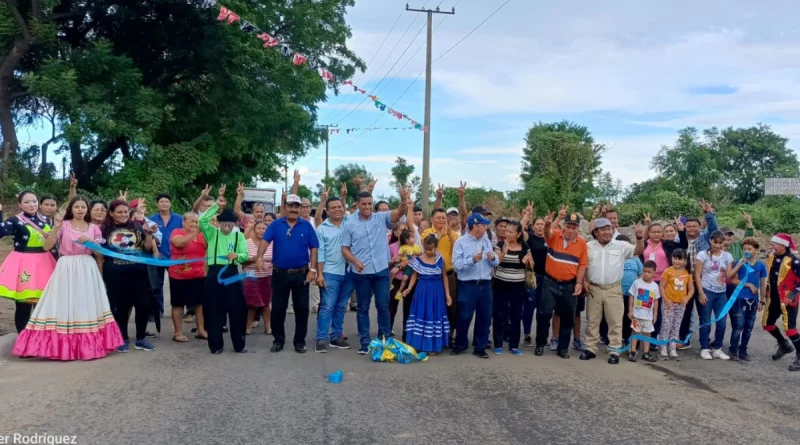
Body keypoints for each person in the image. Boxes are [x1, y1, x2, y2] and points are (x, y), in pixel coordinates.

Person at [13, 196, 124, 360]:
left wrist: (92, 243)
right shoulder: (63, 225)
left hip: (87, 268)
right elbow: (47, 246)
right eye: (77, 207)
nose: (80, 210)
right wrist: (56, 228)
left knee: (85, 305)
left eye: (83, 207)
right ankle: (58, 346)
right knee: (63, 303)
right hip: (66, 267)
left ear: (87, 210)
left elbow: (100, 255)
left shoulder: (94, 228)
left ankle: (87, 347)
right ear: (71, 209)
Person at [341, 189, 408, 354]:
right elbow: (344, 248)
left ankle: (384, 340)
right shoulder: (349, 223)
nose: (367, 207)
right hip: (361, 273)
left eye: (370, 203)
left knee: (383, 306)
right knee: (363, 307)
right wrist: (355, 261)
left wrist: (403, 200)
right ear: (357, 204)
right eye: (364, 204)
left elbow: (399, 212)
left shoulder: (381, 218)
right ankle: (365, 343)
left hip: (381, 271)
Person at [258, 194, 319, 354]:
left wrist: (313, 269)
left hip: (301, 274)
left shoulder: (306, 226)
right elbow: (265, 241)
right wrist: (259, 257)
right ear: (284, 207)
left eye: (296, 206)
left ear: (300, 208)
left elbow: (314, 247)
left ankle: (299, 341)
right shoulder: (275, 225)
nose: (293, 209)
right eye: (290, 206)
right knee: (278, 309)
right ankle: (278, 340)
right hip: (280, 274)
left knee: (302, 309)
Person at [580, 218, 644, 364]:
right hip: (594, 289)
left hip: (613, 289)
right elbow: (583, 264)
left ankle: (614, 349)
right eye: (602, 229)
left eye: (609, 229)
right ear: (595, 232)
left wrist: (639, 238)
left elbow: (638, 250)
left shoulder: (621, 245)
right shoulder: (588, 246)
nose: (607, 232)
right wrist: (584, 280)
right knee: (592, 320)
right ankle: (590, 348)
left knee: (615, 321)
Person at [99, 199, 157, 352]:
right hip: (115, 273)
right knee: (121, 307)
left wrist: (149, 234)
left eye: (125, 212)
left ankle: (141, 338)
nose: (123, 214)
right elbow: (99, 254)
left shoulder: (136, 226)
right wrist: (101, 276)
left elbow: (147, 247)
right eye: (119, 212)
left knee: (143, 304)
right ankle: (122, 338)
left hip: (138, 273)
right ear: (111, 213)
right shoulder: (104, 229)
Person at [0, 191, 58, 333]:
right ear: (20, 204)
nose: (31, 204)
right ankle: (23, 337)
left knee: (43, 303)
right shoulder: (15, 220)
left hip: (45, 262)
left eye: (34, 201)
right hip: (24, 263)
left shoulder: (46, 219)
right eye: (26, 202)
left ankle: (40, 336)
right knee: (24, 304)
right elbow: (2, 232)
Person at [535, 208, 587, 359]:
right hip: (550, 282)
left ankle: (563, 349)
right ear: (564, 226)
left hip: (569, 285)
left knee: (568, 317)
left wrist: (579, 283)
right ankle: (540, 344)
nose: (570, 230)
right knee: (544, 314)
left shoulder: (582, 242)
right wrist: (548, 223)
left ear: (578, 228)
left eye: (574, 227)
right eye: (568, 226)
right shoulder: (555, 235)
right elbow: (546, 233)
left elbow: (582, 265)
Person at [198, 202, 249, 354]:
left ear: (234, 225)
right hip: (214, 272)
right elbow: (202, 220)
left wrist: (237, 256)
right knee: (213, 310)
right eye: (224, 224)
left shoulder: (239, 235)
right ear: (219, 223)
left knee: (237, 309)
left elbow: (245, 254)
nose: (226, 228)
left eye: (230, 225)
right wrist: (215, 206)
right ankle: (215, 345)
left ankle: (239, 345)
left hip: (231, 272)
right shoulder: (212, 233)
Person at [451, 213, 498, 358]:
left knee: (485, 316)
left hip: (485, 284)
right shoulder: (461, 242)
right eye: (483, 225)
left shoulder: (486, 241)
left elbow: (495, 262)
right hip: (468, 284)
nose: (485, 228)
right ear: (475, 226)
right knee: (464, 316)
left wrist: (493, 258)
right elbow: (456, 265)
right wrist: (472, 259)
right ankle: (460, 344)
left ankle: (480, 347)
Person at [314, 193, 354, 352]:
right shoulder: (322, 229)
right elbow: (320, 253)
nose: (337, 210)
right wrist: (320, 274)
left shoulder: (350, 223)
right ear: (327, 211)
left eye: (339, 207)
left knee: (341, 306)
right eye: (333, 208)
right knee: (327, 306)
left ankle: (336, 337)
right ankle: (321, 338)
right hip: (330, 271)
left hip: (349, 271)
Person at [678, 199, 720, 349]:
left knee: (704, 312)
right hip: (685, 282)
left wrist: (708, 214)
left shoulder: (705, 238)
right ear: (685, 227)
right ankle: (683, 339)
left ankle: (705, 340)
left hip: (704, 282)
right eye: (688, 226)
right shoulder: (680, 239)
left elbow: (715, 229)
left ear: (699, 227)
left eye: (694, 226)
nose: (691, 229)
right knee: (684, 312)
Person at [402, 234, 452, 354]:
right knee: (422, 314)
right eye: (426, 249)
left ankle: (433, 346)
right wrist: (409, 288)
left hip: (437, 292)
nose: (428, 252)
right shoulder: (418, 260)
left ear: (436, 247)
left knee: (434, 316)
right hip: (422, 292)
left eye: (431, 249)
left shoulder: (440, 260)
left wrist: (447, 294)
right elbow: (414, 275)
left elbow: (444, 277)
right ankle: (418, 344)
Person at [492, 221, 533, 356]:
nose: (507, 233)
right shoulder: (500, 245)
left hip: (518, 285)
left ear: (518, 234)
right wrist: (503, 253)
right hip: (501, 283)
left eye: (510, 232)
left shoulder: (524, 246)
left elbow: (532, 264)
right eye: (506, 231)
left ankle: (514, 345)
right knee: (499, 313)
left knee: (516, 315)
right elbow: (496, 263)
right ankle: (497, 344)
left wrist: (528, 262)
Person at [641, 219, 688, 338]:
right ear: (649, 233)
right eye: (653, 232)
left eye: (659, 232)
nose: (656, 234)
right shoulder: (645, 244)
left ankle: (654, 336)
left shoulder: (667, 244)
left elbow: (683, 246)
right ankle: (644, 334)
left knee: (660, 310)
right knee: (646, 307)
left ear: (662, 233)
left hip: (663, 281)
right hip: (647, 281)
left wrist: (681, 231)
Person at [421, 208, 460, 345]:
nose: (442, 220)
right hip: (431, 277)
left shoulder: (454, 234)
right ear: (432, 219)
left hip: (449, 275)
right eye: (438, 218)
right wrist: (441, 235)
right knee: (433, 307)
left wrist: (449, 235)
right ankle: (430, 337)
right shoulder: (427, 232)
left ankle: (448, 336)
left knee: (451, 307)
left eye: (444, 218)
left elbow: (457, 250)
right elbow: (427, 244)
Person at [762, 233, 800, 371]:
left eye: (774, 244)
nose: (771, 246)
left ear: (783, 246)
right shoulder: (771, 257)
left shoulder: (793, 261)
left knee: (790, 329)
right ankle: (783, 344)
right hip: (773, 298)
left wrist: (792, 294)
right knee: (767, 324)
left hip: (788, 299)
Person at [167, 213, 208, 342]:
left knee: (199, 304)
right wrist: (193, 234)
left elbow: (208, 246)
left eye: (197, 222)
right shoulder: (176, 232)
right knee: (178, 304)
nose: (195, 224)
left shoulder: (202, 235)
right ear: (184, 222)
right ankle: (178, 333)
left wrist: (205, 232)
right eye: (192, 222)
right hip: (178, 276)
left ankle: (201, 330)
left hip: (198, 274)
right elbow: (180, 244)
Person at [695, 230, 734, 360]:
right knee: (706, 320)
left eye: (720, 243)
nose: (717, 245)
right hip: (707, 290)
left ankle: (717, 348)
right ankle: (704, 347)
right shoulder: (702, 255)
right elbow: (697, 275)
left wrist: (740, 264)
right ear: (710, 240)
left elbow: (728, 275)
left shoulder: (727, 256)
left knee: (722, 321)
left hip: (721, 293)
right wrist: (701, 292)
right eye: (715, 242)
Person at [728, 238, 766, 362]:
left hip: (753, 300)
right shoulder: (739, 263)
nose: (746, 251)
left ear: (756, 250)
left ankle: (743, 350)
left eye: (749, 249)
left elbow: (763, 284)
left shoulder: (761, 266)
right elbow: (733, 280)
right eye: (744, 249)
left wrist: (762, 300)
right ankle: (733, 350)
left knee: (749, 327)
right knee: (738, 326)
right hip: (740, 298)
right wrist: (748, 284)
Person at [149, 193, 183, 324]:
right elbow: (149, 236)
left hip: (175, 257)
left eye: (166, 201)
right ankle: (157, 311)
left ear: (170, 204)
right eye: (161, 201)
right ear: (157, 204)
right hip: (158, 257)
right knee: (157, 285)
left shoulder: (179, 219)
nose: (164, 203)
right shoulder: (151, 219)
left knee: (178, 284)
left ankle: (181, 310)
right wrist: (155, 250)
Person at [657, 249, 694, 360]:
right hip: (669, 303)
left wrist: (687, 298)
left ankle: (672, 347)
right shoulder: (667, 271)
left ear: (685, 260)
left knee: (676, 326)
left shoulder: (687, 274)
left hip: (680, 305)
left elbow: (691, 289)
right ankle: (662, 347)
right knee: (666, 324)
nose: (677, 261)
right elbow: (661, 287)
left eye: (680, 259)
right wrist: (666, 299)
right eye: (675, 258)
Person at [628, 260, 660, 362]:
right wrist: (630, 311)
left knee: (647, 334)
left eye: (649, 272)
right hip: (636, 315)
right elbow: (631, 296)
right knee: (635, 332)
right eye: (644, 271)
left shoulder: (655, 286)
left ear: (654, 273)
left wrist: (655, 314)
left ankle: (645, 353)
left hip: (648, 316)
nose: (646, 274)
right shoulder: (636, 283)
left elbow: (655, 301)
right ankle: (633, 352)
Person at [243, 220, 272, 335]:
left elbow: (275, 259)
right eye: (259, 228)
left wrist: (266, 265)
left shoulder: (271, 242)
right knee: (252, 304)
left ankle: (268, 327)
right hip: (251, 277)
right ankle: (248, 326)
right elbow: (241, 260)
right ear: (254, 230)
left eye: (263, 228)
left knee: (266, 303)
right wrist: (253, 259)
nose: (261, 230)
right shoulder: (246, 243)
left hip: (267, 276)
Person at [523, 211, 547, 347]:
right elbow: (519, 231)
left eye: (542, 224)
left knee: (542, 308)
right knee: (529, 306)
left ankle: (540, 335)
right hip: (531, 276)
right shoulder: (530, 238)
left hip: (547, 277)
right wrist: (526, 216)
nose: (539, 226)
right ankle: (527, 334)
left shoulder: (550, 238)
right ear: (534, 226)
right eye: (537, 224)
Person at [394, 229, 422, 301]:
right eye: (412, 237)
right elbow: (399, 254)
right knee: (403, 278)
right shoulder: (403, 247)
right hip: (405, 265)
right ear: (406, 240)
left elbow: (420, 253)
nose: (414, 239)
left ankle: (405, 290)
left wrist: (415, 253)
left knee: (409, 279)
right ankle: (399, 290)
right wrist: (403, 253)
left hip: (413, 265)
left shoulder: (416, 246)